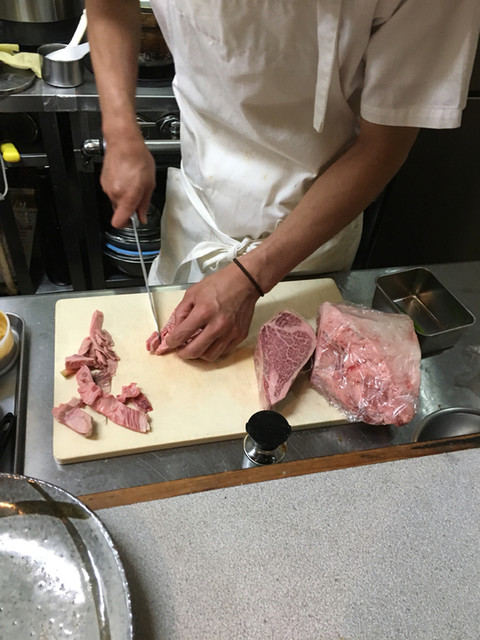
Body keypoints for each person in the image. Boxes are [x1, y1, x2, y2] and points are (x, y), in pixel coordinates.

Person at [85, 0, 480, 361]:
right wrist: (120, 132)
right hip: (198, 205)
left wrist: (252, 277)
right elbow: (108, 7)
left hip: (309, 236)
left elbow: (383, 146)